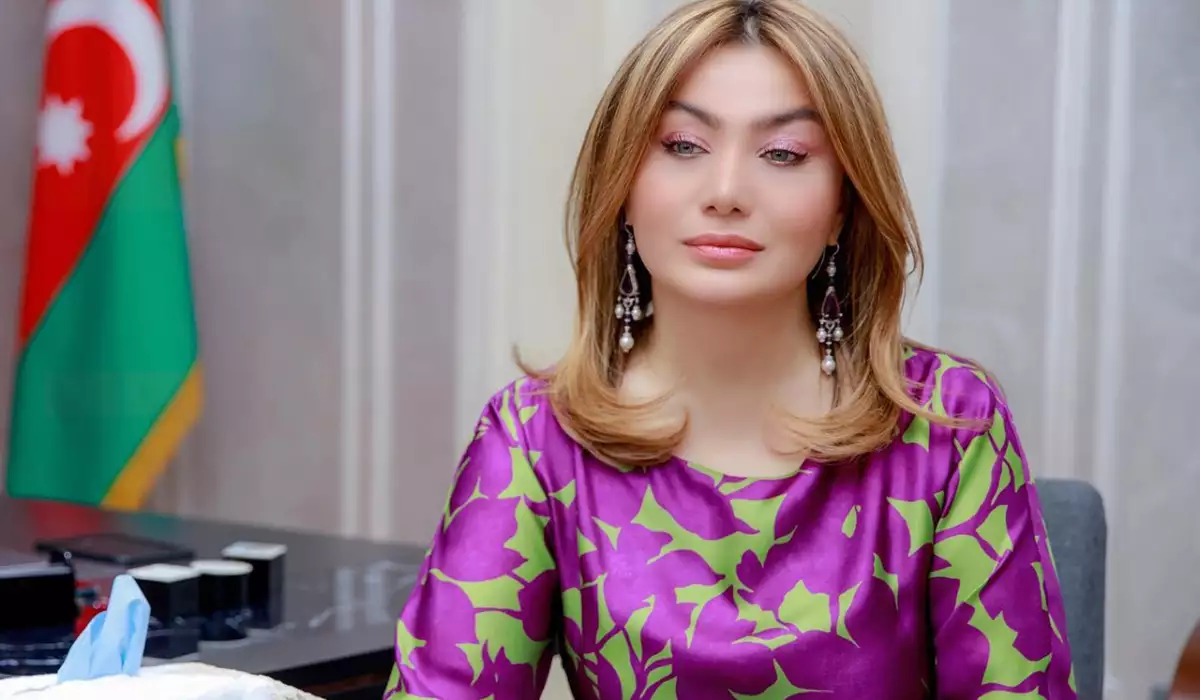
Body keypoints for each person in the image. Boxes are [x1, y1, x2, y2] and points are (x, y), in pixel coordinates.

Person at [384, 0, 1077, 698]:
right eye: (684, 145)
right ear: (622, 185)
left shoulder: (948, 426)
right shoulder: (534, 439)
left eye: (784, 154)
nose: (725, 192)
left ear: (842, 205)